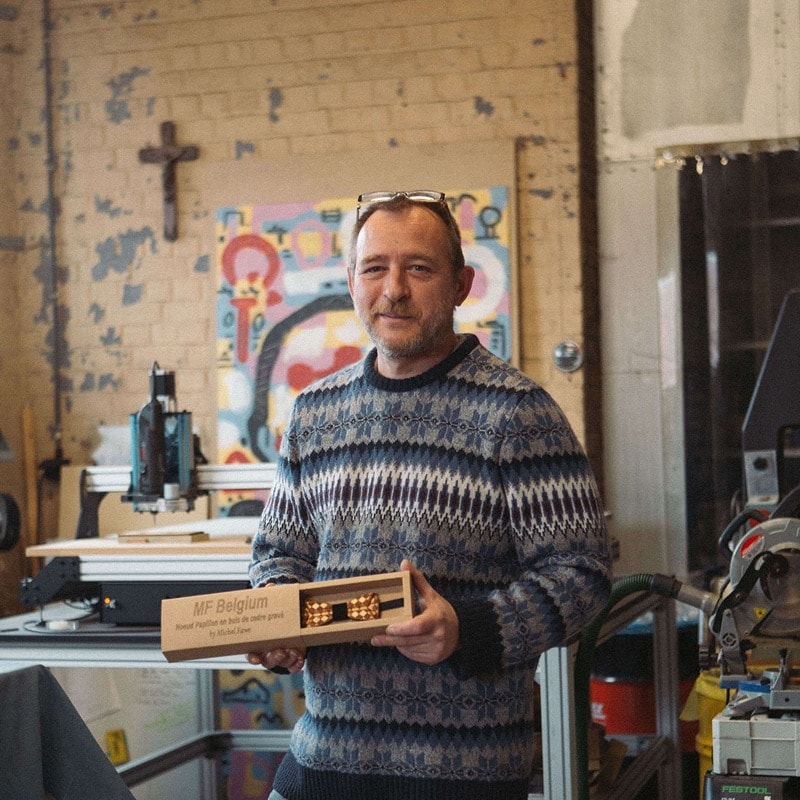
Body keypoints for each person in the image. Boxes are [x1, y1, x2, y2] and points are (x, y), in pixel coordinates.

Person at [248, 190, 612, 800]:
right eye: (374, 268)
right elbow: (277, 554)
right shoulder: (314, 413)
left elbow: (582, 575)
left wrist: (466, 629)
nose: (393, 289)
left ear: (461, 284)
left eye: (418, 268)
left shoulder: (518, 413)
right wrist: (280, 618)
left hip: (461, 776)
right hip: (322, 765)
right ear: (352, 281)